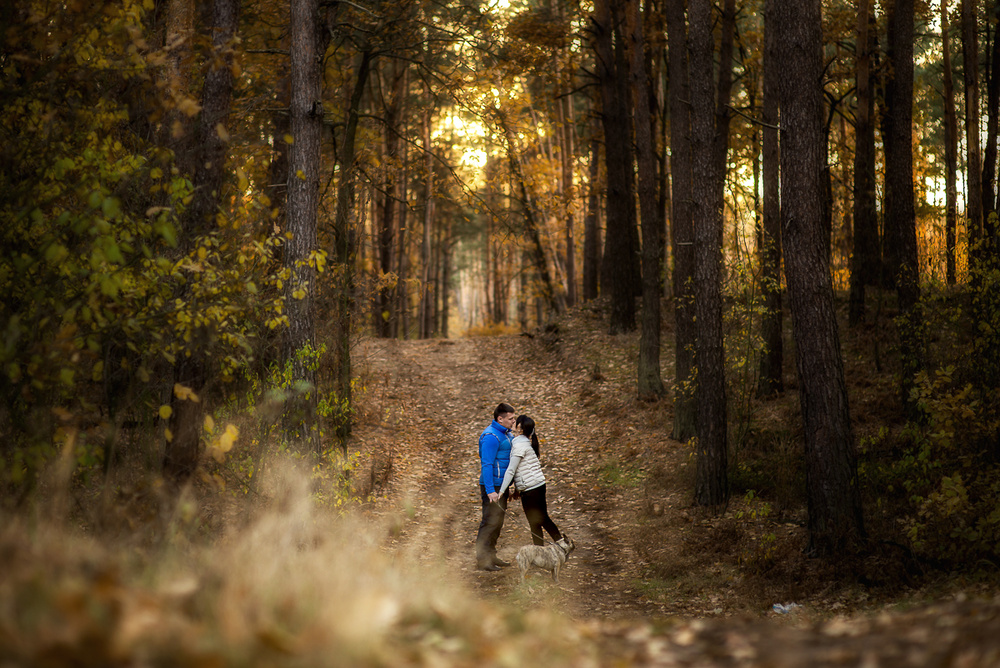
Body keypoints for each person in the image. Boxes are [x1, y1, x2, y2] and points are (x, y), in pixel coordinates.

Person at [497, 414, 563, 546]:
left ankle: (562, 544)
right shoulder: (526, 442)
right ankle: (550, 548)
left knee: (539, 520)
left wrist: (502, 491)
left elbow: (511, 470)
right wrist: (517, 489)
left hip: (531, 490)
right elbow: (522, 470)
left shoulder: (519, 445)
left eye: (516, 422)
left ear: (520, 428)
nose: (513, 423)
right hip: (537, 485)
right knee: (539, 520)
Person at [475, 402, 516, 571]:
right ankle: (483, 561)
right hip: (493, 488)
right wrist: (491, 490)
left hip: (503, 486)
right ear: (500, 419)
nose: (513, 421)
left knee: (497, 523)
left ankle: (491, 556)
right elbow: (487, 464)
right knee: (489, 523)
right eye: (510, 418)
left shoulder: (506, 434)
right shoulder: (491, 437)